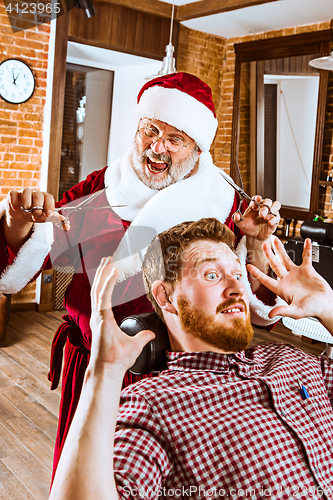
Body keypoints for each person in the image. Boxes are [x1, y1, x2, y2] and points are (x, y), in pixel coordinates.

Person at [0, 73, 281, 474]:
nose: (157, 147)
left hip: (178, 384)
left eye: (175, 139)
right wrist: (14, 223)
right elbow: (30, 260)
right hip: (93, 370)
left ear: (198, 148)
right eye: (150, 130)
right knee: (82, 482)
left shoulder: (227, 205)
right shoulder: (103, 186)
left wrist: (254, 244)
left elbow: (255, 312)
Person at [49, 218, 333, 500]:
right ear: (166, 296)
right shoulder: (152, 408)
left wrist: (328, 309)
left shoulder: (291, 360)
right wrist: (104, 372)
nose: (237, 290)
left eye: (238, 275)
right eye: (212, 275)